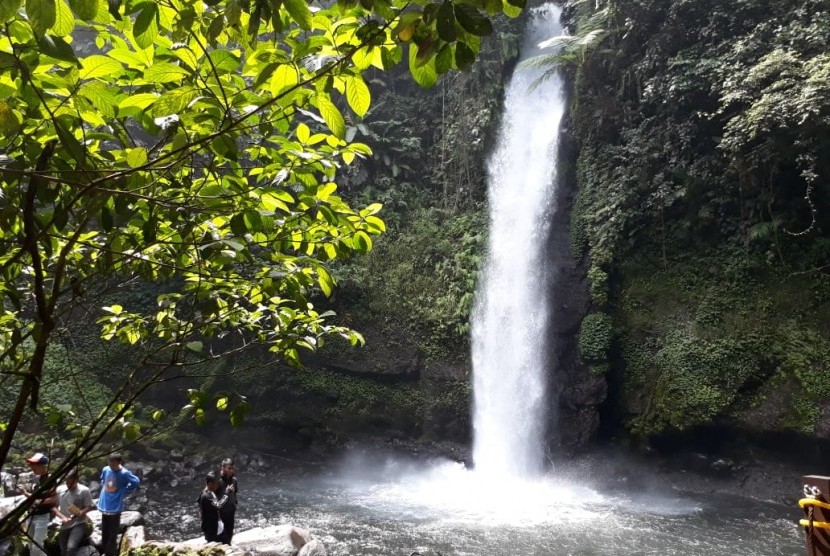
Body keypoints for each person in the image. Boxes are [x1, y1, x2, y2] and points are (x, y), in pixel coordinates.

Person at [97, 453, 140, 556]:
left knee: (113, 531)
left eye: (114, 464)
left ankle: (110, 552)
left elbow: (136, 481)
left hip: (115, 503)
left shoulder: (124, 473)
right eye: (110, 463)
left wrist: (125, 490)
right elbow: (103, 479)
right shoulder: (106, 469)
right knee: (105, 528)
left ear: (119, 463)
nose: (111, 465)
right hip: (105, 501)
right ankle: (103, 549)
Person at [17, 452, 58, 556]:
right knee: (31, 546)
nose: (31, 467)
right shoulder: (39, 478)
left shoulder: (50, 479)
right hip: (31, 515)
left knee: (37, 547)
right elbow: (35, 498)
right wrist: (25, 493)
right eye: (31, 464)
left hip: (42, 517)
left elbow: (54, 499)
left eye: (34, 464)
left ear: (43, 465)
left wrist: (40, 502)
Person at [53, 469, 94, 556]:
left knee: (71, 548)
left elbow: (89, 506)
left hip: (80, 523)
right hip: (65, 524)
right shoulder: (60, 490)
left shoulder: (84, 490)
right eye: (67, 483)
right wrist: (63, 517)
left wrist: (80, 512)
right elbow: (54, 507)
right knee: (63, 549)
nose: (69, 485)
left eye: (71, 483)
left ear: (76, 480)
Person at [198, 472, 229, 543]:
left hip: (213, 523)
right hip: (212, 527)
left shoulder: (206, 492)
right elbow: (219, 506)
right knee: (215, 543)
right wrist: (227, 494)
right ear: (210, 484)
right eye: (216, 484)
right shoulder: (207, 496)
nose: (217, 485)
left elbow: (199, 504)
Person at [217, 458, 238, 544]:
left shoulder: (234, 480)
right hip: (221, 513)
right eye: (229, 468)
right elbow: (212, 498)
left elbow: (235, 493)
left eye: (232, 468)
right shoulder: (217, 481)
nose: (231, 470)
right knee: (221, 536)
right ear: (222, 468)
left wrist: (234, 503)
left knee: (229, 533)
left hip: (231, 511)